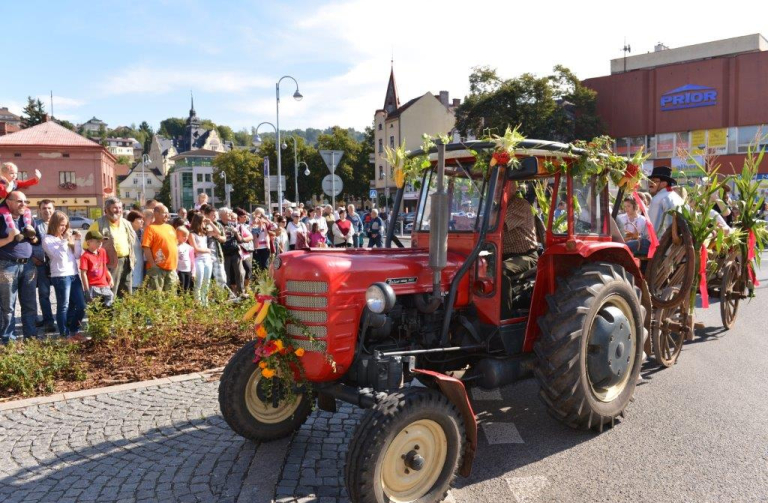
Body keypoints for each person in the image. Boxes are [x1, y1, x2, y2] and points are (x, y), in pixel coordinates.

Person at [0, 191, 39, 342]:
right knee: (8, 306)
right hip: (6, 266)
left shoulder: (27, 218)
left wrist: (33, 236)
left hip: (28, 265)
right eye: (19, 201)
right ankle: (8, 340)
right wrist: (10, 238)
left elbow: (37, 241)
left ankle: (31, 338)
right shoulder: (1, 217)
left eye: (25, 201)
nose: (23, 204)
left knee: (30, 304)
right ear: (8, 202)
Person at [43, 210, 86, 339]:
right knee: (63, 306)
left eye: (66, 225)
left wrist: (77, 241)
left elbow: (77, 255)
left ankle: (74, 330)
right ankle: (64, 335)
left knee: (82, 305)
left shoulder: (65, 238)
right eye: (61, 225)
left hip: (73, 274)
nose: (64, 228)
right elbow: (59, 257)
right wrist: (65, 240)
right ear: (54, 224)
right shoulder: (47, 239)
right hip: (60, 276)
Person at [90, 197, 136, 298]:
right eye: (115, 208)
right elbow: (87, 246)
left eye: (120, 207)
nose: (118, 210)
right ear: (106, 210)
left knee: (126, 292)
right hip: (109, 264)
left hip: (127, 261)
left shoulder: (126, 223)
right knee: (111, 292)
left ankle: (123, 313)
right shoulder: (98, 224)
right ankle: (111, 314)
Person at [141, 204, 178, 291]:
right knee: (157, 297)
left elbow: (174, 246)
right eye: (164, 213)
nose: (167, 215)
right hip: (157, 269)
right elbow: (146, 248)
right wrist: (153, 265)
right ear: (156, 214)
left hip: (171, 269)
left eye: (168, 213)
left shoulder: (170, 227)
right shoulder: (150, 228)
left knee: (171, 297)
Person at [32, 199, 56, 333]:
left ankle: (64, 319)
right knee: (44, 294)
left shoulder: (60, 223)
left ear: (54, 209)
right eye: (44, 208)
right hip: (41, 265)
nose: (47, 211)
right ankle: (48, 321)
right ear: (40, 210)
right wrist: (33, 257)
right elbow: (27, 243)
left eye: (49, 208)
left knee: (62, 294)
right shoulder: (35, 225)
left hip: (58, 265)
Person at [0, 162, 41, 236]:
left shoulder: (15, 183)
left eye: (16, 173)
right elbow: (3, 195)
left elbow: (26, 183)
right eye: (11, 173)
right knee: (6, 214)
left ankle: (27, 227)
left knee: (27, 210)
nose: (14, 175)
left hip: (13, 205)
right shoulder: (1, 184)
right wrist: (8, 186)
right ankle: (13, 230)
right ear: (3, 174)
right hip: (3, 205)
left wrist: (36, 179)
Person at [79, 230, 114, 308]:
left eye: (101, 242)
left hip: (104, 284)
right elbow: (83, 273)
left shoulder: (102, 251)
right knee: (95, 309)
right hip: (93, 286)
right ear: (89, 242)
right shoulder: (85, 256)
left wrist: (110, 278)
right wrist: (86, 289)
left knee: (109, 304)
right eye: (98, 241)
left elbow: (104, 267)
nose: (100, 244)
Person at [647, 166, 684, 237]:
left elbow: (652, 230)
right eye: (650, 181)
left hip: (660, 244)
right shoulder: (678, 198)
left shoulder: (658, 199)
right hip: (677, 244)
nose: (650, 184)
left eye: (654, 181)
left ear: (664, 184)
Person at [189, 214, 213, 305]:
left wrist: (210, 222)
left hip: (207, 259)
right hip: (198, 260)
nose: (205, 223)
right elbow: (195, 249)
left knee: (207, 282)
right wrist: (207, 250)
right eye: (203, 221)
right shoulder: (191, 234)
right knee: (198, 282)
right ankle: (198, 303)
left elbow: (217, 232)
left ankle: (205, 303)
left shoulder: (204, 233)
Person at [220, 208, 244, 295]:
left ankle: (241, 292)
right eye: (228, 214)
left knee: (240, 272)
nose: (230, 215)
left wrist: (236, 233)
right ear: (222, 215)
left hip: (235, 251)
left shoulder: (233, 224)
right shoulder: (218, 224)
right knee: (226, 274)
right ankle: (227, 294)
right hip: (224, 253)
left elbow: (241, 240)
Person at [234, 208, 254, 291]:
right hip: (235, 252)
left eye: (246, 216)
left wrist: (242, 239)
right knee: (238, 272)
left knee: (248, 269)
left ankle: (246, 287)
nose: (245, 218)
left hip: (245, 252)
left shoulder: (242, 226)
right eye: (243, 216)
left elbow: (251, 236)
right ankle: (237, 290)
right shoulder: (234, 225)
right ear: (238, 217)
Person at [126, 210, 145, 289]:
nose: (142, 221)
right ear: (132, 220)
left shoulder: (142, 232)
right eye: (139, 219)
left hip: (140, 266)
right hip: (130, 267)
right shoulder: (126, 233)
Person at [176, 226, 194, 293]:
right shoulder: (176, 247)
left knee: (187, 289)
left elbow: (192, 261)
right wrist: (175, 272)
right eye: (183, 236)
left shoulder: (189, 247)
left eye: (186, 236)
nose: (185, 238)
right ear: (177, 236)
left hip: (188, 271)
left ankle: (186, 302)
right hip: (180, 271)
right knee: (180, 289)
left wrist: (193, 272)